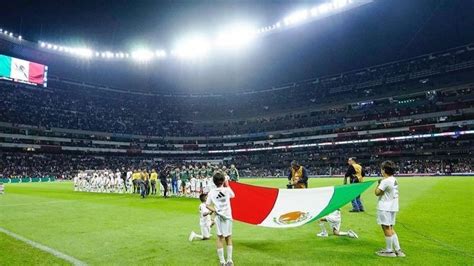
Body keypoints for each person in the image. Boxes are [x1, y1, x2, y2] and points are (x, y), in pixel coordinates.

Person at [374, 161, 405, 257]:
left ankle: (389, 251)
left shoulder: (385, 181)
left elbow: (377, 192)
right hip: (393, 206)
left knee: (386, 228)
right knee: (390, 228)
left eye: (382, 169)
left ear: (384, 170)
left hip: (385, 207)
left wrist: (378, 184)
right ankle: (398, 250)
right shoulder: (393, 179)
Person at [206, 171, 235, 266]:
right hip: (228, 216)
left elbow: (207, 205)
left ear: (214, 182)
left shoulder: (211, 192)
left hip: (218, 217)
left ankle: (222, 262)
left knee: (219, 238)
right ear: (223, 181)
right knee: (228, 237)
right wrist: (227, 184)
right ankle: (229, 261)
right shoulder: (226, 190)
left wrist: (215, 210)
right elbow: (233, 195)